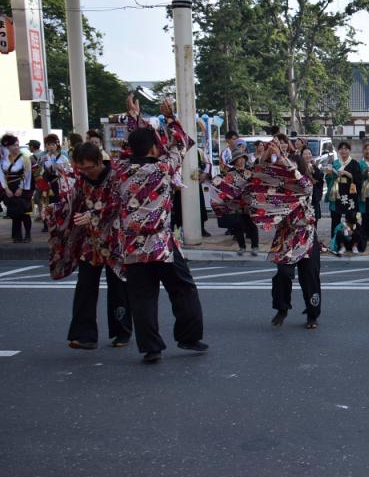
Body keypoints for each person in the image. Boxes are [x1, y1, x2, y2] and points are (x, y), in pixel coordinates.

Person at [115, 95, 206, 363]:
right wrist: (169, 117)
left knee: (142, 298)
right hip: (161, 244)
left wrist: (134, 119)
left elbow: (130, 148)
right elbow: (182, 142)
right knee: (183, 289)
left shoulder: (120, 170)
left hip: (133, 246)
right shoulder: (163, 169)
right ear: (155, 149)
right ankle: (189, 337)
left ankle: (151, 348)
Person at [45, 141, 133, 350]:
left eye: (89, 168)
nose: (85, 172)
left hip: (114, 239)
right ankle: (84, 335)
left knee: (118, 287)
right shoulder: (81, 180)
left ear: (99, 161)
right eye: (81, 169)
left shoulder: (117, 176)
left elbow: (119, 204)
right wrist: (52, 209)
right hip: (90, 241)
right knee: (85, 286)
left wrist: (92, 215)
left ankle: (122, 332)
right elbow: (71, 202)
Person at [236, 138, 323, 328]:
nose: (286, 170)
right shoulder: (279, 189)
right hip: (286, 236)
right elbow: (259, 175)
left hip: (306, 235)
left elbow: (303, 183)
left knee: (310, 277)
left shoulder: (306, 184)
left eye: (290, 167)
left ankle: (312, 315)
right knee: (283, 274)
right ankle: (282, 308)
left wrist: (284, 158)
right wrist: (267, 156)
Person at [211, 145, 260, 256]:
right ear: (235, 161)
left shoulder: (250, 172)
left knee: (252, 224)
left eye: (243, 158)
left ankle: (255, 246)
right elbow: (223, 187)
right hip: (235, 204)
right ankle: (242, 246)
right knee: (237, 225)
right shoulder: (229, 174)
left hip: (248, 202)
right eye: (239, 159)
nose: (241, 160)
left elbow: (255, 185)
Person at [1, 134, 34, 243]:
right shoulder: (3, 159)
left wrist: (21, 188)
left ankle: (28, 235)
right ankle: (17, 235)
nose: (16, 147)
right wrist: (6, 189)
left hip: (23, 187)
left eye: (17, 145)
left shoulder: (24, 158)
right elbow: (1, 175)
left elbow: (28, 175)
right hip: (9, 188)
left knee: (25, 212)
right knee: (15, 212)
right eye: (13, 145)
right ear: (8, 147)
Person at [325, 141, 361, 241]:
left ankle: (352, 240)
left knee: (351, 218)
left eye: (346, 149)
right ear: (338, 151)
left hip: (350, 194)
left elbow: (359, 179)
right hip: (337, 194)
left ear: (349, 150)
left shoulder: (354, 164)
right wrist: (329, 175)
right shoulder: (335, 163)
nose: (343, 151)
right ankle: (335, 239)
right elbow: (328, 179)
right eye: (341, 149)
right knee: (335, 218)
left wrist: (347, 173)